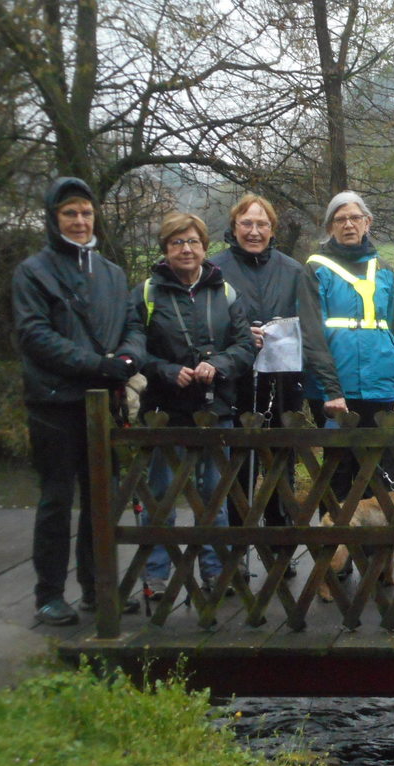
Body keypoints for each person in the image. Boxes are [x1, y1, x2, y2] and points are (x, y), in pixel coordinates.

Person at [13, 177, 146, 625]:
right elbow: (35, 336)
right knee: (56, 500)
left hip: (103, 402)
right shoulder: (33, 272)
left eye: (86, 212)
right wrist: (97, 365)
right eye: (69, 213)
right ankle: (48, 594)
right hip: (54, 403)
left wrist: (128, 359)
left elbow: (133, 325)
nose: (79, 220)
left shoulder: (112, 273)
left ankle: (97, 586)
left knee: (101, 499)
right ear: (54, 218)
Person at [211, 194, 342, 577]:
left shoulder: (292, 269)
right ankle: (235, 556)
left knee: (281, 466)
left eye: (262, 224)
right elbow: (206, 324)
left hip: (283, 383)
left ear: (273, 229)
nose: (254, 231)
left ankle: (280, 552)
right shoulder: (214, 269)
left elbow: (311, 323)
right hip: (235, 383)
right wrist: (238, 335)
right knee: (237, 470)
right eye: (247, 224)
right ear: (234, 228)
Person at [135, 213, 255, 596]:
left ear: (205, 247)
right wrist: (168, 371)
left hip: (215, 408)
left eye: (193, 242)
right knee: (161, 494)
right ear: (165, 249)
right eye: (177, 242)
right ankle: (155, 576)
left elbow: (244, 346)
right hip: (164, 410)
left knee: (215, 497)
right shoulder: (147, 294)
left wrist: (218, 365)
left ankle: (216, 573)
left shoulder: (225, 292)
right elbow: (134, 348)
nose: (186, 249)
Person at [298, 191, 394, 512]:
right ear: (330, 227)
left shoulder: (383, 269)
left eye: (355, 218)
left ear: (368, 222)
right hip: (335, 391)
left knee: (377, 477)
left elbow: (392, 328)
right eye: (340, 219)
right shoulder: (316, 269)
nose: (348, 225)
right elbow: (312, 334)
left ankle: (372, 546)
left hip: (378, 386)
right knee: (338, 476)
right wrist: (331, 389)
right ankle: (335, 544)